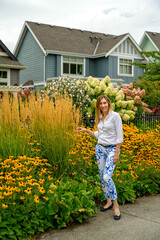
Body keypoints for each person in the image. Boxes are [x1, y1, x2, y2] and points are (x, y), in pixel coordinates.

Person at [77, 95, 123, 220]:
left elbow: (119, 136)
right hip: (100, 149)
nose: (103, 105)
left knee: (107, 176)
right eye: (100, 104)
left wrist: (117, 153)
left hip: (112, 149)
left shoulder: (115, 116)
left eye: (104, 103)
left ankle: (116, 205)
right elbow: (99, 134)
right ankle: (108, 201)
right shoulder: (101, 117)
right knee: (102, 177)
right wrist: (86, 130)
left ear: (108, 103)